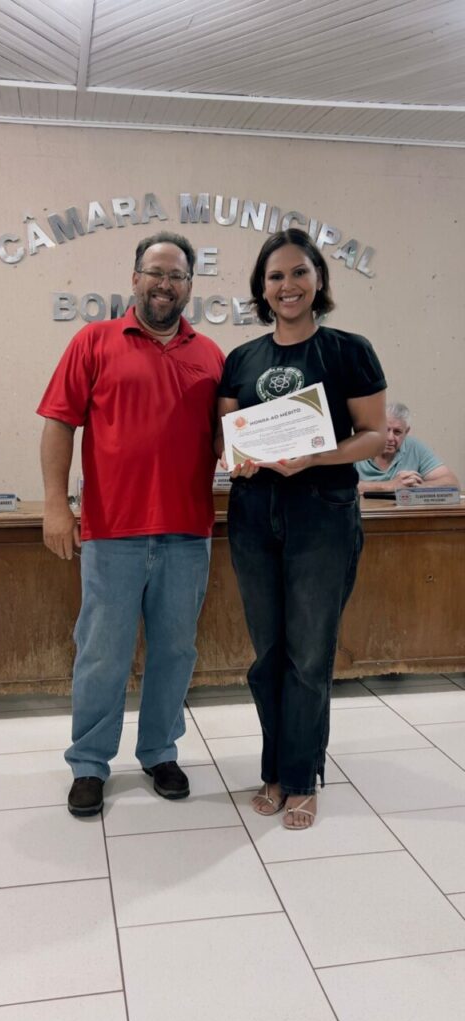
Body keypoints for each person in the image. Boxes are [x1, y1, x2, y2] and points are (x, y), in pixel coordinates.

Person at [38, 231, 225, 817]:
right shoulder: (93, 341)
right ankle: (90, 763)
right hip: (111, 532)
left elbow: (227, 439)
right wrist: (54, 505)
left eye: (176, 275)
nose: (164, 284)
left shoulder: (212, 355)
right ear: (135, 277)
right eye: (155, 272)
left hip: (188, 532)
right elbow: (58, 424)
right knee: (101, 652)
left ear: (190, 286)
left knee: (176, 650)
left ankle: (159, 752)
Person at [215, 228, 387, 830]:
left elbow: (373, 434)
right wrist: (232, 453)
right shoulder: (242, 359)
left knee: (309, 654)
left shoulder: (348, 350)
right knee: (268, 655)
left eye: (298, 273)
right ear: (261, 289)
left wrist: (314, 456)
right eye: (275, 276)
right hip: (255, 514)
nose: (286, 286)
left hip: (324, 513)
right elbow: (227, 436)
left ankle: (303, 774)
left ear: (319, 281)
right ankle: (273, 770)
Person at [357, 402, 460, 492]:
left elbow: (452, 482)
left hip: (402, 512)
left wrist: (415, 488)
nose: (390, 438)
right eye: (385, 430)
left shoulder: (414, 447)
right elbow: (341, 487)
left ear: (406, 432)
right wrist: (388, 486)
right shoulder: (358, 446)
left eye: (397, 432)